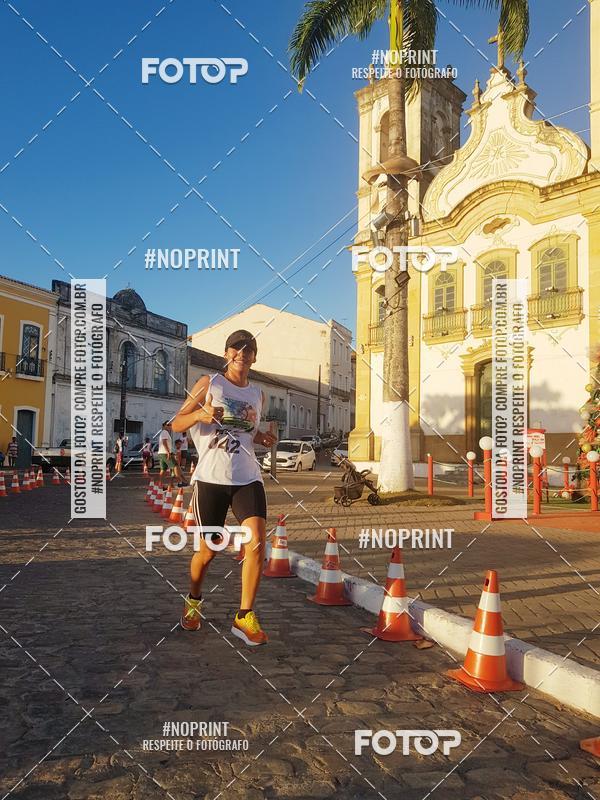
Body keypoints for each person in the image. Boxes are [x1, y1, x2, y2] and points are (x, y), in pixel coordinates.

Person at [172, 330, 276, 646]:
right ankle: (193, 600)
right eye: (236, 348)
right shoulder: (210, 383)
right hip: (211, 479)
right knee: (209, 551)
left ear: (254, 357)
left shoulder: (258, 394)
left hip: (248, 477)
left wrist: (261, 437)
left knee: (256, 542)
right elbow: (176, 423)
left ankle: (244, 615)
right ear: (227, 353)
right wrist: (200, 414)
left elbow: (247, 431)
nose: (242, 354)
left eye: (249, 349)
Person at [158, 421, 185, 486]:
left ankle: (159, 484)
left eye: (170, 425)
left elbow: (165, 443)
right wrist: (168, 452)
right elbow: (164, 442)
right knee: (175, 466)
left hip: (161, 453)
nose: (170, 426)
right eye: (168, 425)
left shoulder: (164, 433)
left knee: (163, 469)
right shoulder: (165, 432)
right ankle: (180, 482)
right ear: (164, 426)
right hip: (165, 453)